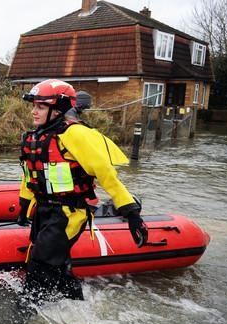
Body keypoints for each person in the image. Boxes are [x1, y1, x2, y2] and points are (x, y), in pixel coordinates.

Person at [17, 79, 147, 304]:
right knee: (58, 267)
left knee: (39, 267)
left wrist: (131, 212)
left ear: (57, 109)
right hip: (44, 209)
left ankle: (23, 318)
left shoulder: (76, 135)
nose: (34, 111)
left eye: (40, 107)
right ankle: (77, 305)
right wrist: (24, 205)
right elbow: (30, 175)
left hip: (69, 212)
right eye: (34, 106)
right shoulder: (37, 136)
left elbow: (106, 175)